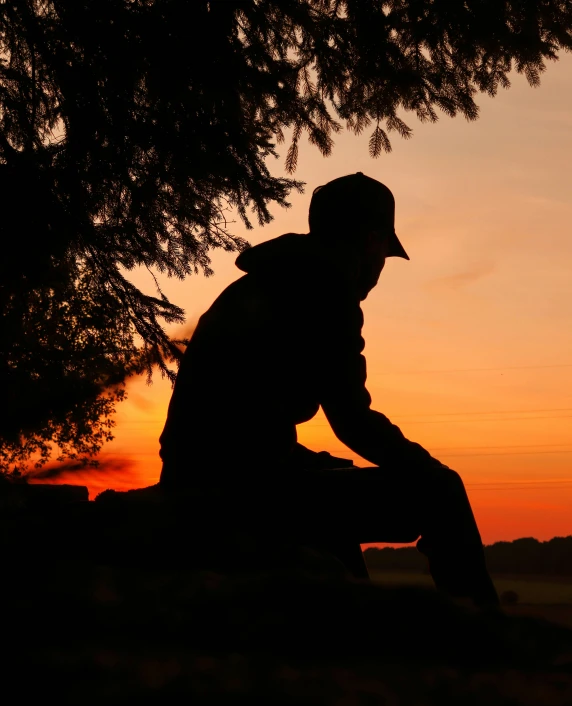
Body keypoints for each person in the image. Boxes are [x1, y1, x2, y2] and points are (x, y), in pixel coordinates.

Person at [159, 172, 499, 608]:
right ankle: (486, 636)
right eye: (384, 254)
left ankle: (350, 617)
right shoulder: (327, 291)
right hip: (241, 495)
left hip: (197, 479)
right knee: (440, 491)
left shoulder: (269, 280)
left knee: (328, 472)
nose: (379, 270)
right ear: (372, 242)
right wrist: (426, 466)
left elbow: (235, 424)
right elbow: (353, 421)